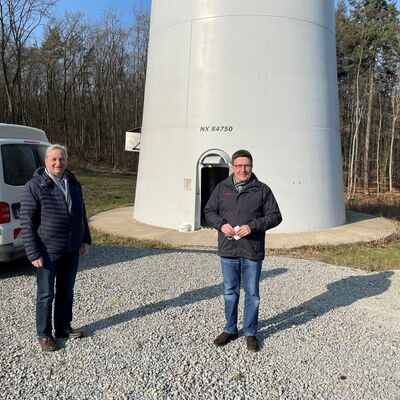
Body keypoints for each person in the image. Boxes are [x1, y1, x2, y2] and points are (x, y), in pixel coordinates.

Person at [204, 149, 282, 352]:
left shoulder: (262, 190)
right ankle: (230, 329)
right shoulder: (222, 188)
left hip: (251, 250)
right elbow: (209, 211)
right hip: (228, 249)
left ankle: (250, 332)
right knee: (230, 292)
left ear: (252, 166)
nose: (242, 169)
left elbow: (275, 216)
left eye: (246, 165)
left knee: (252, 294)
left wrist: (253, 226)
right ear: (232, 167)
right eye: (238, 165)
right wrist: (221, 225)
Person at [20, 144, 91, 352]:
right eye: (54, 159)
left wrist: (85, 238)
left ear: (66, 160)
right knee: (46, 294)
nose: (58, 163)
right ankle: (44, 334)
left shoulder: (73, 182)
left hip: (71, 248)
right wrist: (33, 252)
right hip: (48, 250)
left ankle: (63, 327)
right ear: (46, 161)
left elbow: (81, 213)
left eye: (62, 159)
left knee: (66, 290)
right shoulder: (35, 185)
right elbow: (26, 222)